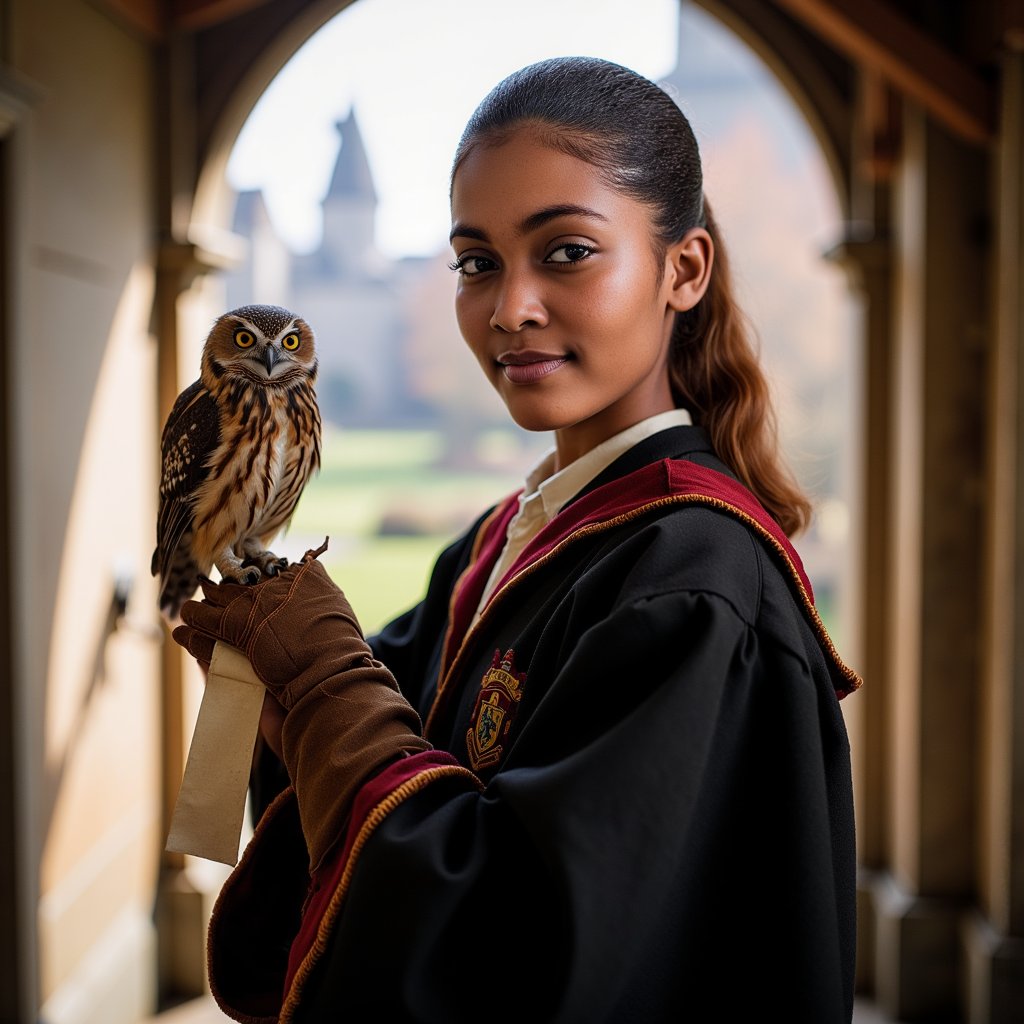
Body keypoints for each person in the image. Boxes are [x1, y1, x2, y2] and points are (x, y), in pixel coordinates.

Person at [173, 55, 861, 1024]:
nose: (508, 307)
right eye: (476, 261)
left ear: (683, 268)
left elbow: (519, 956)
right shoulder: (498, 547)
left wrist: (326, 679)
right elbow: (347, 796)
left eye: (567, 251)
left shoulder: (694, 587)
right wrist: (269, 687)